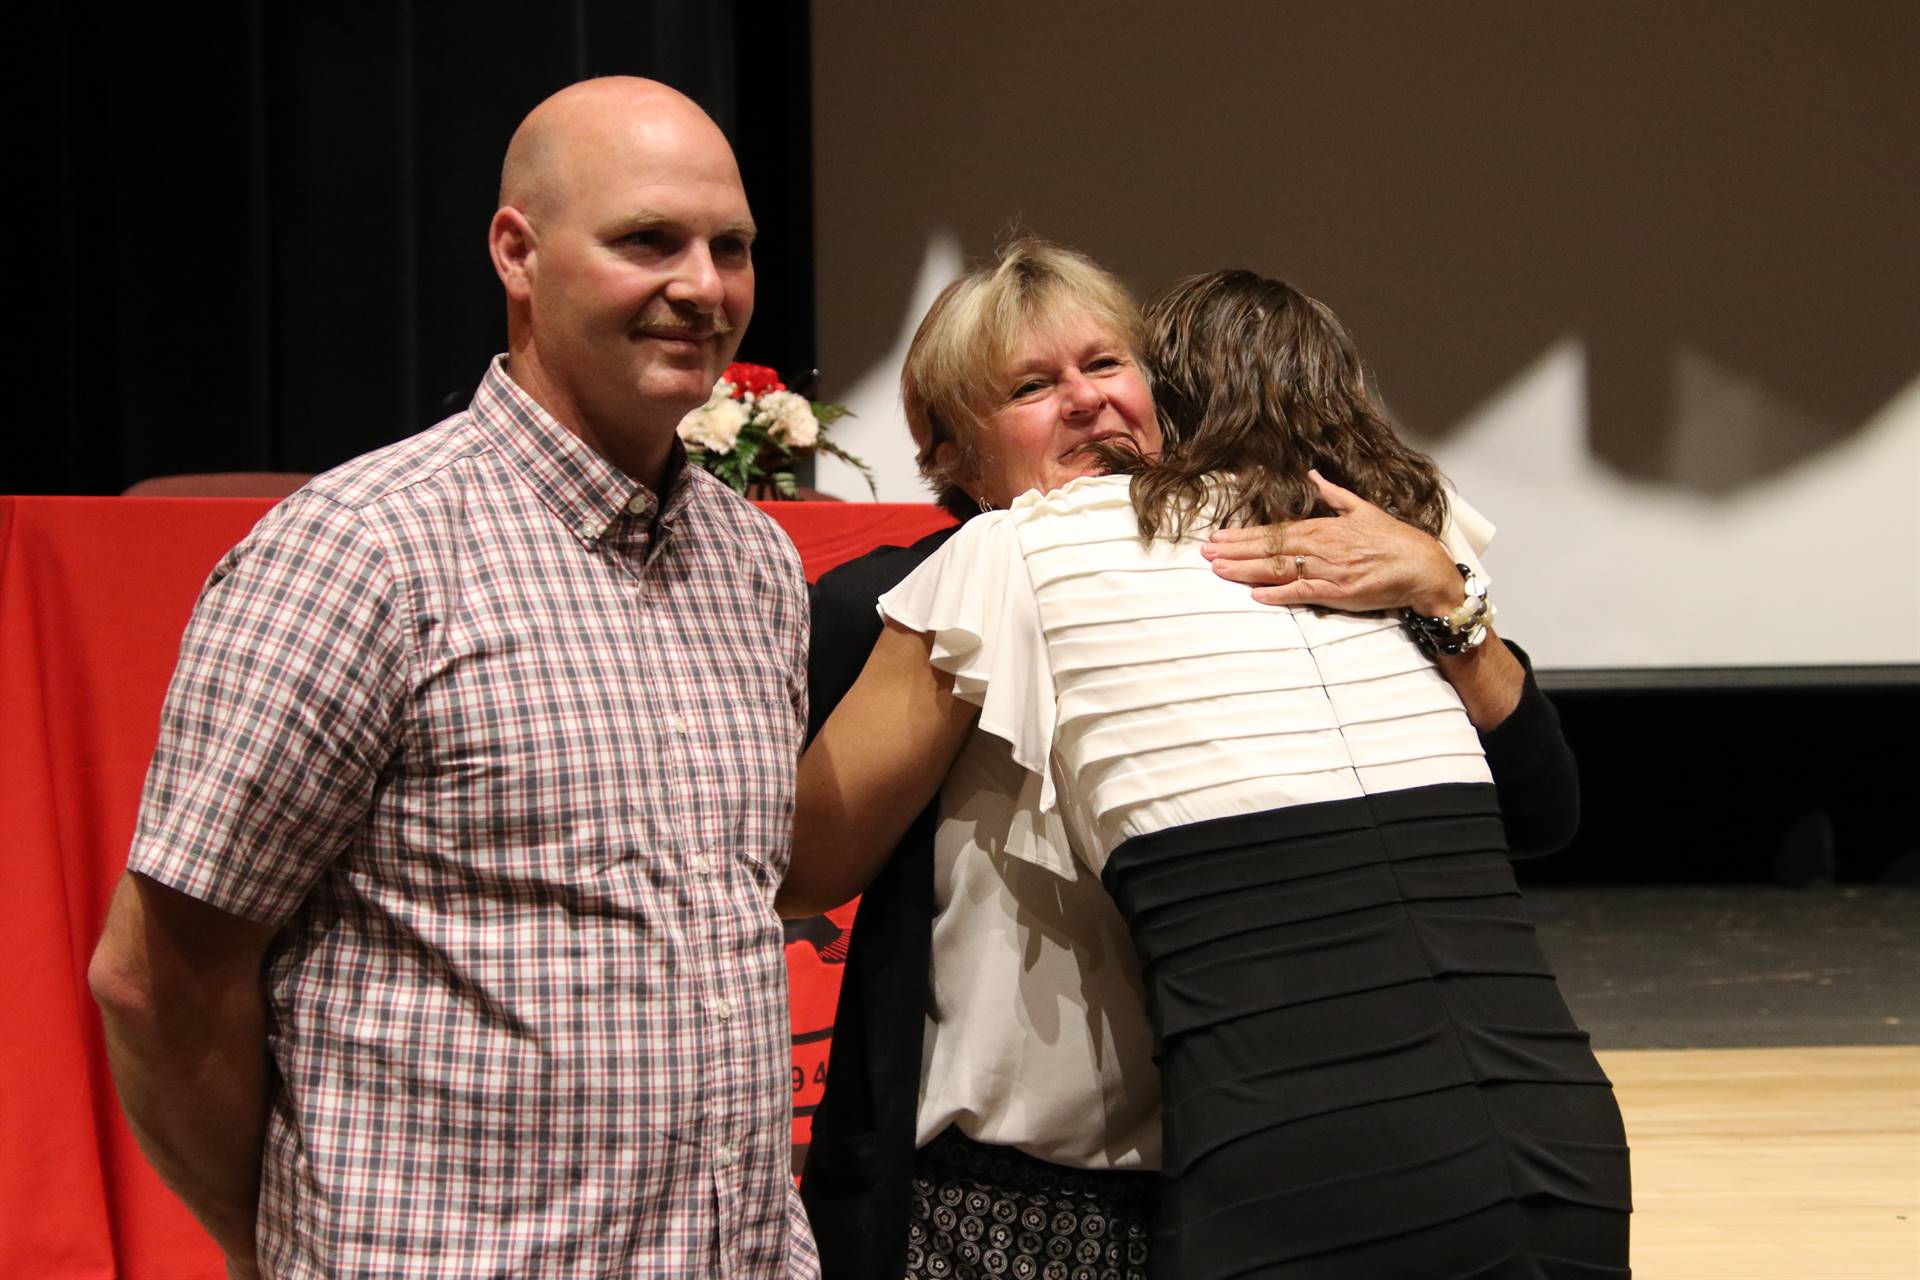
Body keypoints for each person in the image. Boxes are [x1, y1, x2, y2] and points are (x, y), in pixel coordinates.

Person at [87, 78, 817, 1280]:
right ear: (516, 252)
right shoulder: (363, 551)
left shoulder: (754, 565)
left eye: (730, 246)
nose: (704, 285)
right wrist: (270, 1243)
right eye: (648, 239)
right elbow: (158, 978)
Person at [788, 241, 1597, 1278]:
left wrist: (1449, 597)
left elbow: (1542, 807)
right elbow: (810, 863)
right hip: (1017, 1186)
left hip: (1254, 1169)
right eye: (1032, 386)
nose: (1085, 402)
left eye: (1106, 364)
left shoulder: (1308, 558)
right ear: (950, 454)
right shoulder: (903, 598)